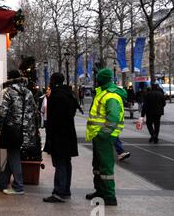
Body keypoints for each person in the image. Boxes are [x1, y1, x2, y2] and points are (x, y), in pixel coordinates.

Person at [85, 68, 127, 206]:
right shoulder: (104, 93)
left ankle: (109, 196)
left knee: (106, 167)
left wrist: (103, 134)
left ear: (102, 80)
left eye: (98, 78)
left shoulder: (111, 96)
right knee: (98, 166)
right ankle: (100, 191)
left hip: (104, 137)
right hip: (100, 136)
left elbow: (114, 117)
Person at [0, 70, 37, 195]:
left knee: (14, 156)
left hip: (11, 130)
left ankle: (18, 186)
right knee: (13, 155)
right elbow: (34, 111)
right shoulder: (28, 92)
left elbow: (2, 111)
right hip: (25, 131)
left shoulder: (8, 92)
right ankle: (3, 182)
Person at [43, 73, 79, 203]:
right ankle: (65, 190)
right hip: (68, 134)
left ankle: (59, 192)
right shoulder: (68, 94)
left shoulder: (57, 96)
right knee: (66, 162)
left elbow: (55, 119)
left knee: (60, 163)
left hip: (59, 135)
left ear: (53, 81)